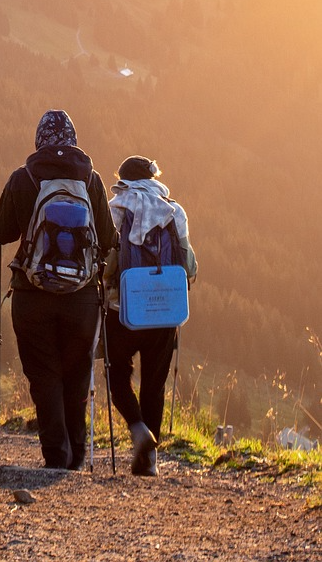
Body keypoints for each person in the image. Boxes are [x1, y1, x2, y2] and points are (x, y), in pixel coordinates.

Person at [0, 110, 116, 470]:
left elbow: (2, 233)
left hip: (32, 296)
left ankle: (56, 455)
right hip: (81, 299)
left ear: (39, 141)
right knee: (77, 374)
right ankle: (76, 456)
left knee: (44, 375)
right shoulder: (91, 181)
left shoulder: (24, 177)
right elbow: (107, 240)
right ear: (73, 141)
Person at [104, 155, 198, 476]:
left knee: (117, 375)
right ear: (153, 177)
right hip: (165, 311)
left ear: (124, 178)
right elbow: (189, 267)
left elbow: (104, 263)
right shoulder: (174, 210)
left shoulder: (114, 208)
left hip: (123, 311)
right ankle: (150, 463)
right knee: (154, 386)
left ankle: (137, 428)